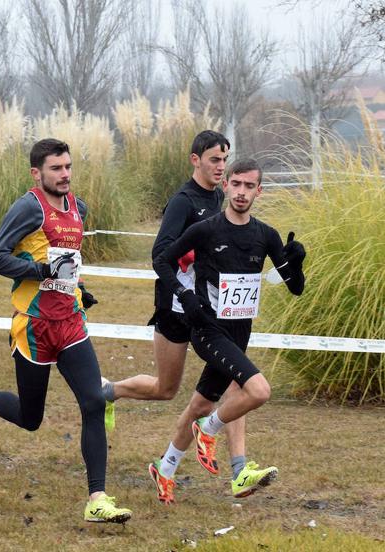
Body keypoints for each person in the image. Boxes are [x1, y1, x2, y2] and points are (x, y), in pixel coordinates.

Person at [0, 138, 133, 523]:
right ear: (37, 172)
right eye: (56, 168)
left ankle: (97, 498)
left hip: (70, 322)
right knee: (31, 418)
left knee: (94, 402)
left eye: (67, 167)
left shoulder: (78, 208)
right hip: (32, 327)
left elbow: (69, 264)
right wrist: (39, 273)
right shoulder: (28, 208)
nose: (64, 174)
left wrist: (78, 288)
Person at [101, 131, 260, 492]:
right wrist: (189, 264)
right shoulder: (182, 202)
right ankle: (110, 392)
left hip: (210, 309)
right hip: (176, 307)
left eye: (224, 160)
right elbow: (161, 255)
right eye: (214, 160)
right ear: (195, 160)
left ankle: (239, 469)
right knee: (165, 388)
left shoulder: (221, 196)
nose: (221, 167)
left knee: (238, 380)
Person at [147, 158, 305, 504]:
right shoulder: (206, 229)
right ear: (226, 186)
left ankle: (166, 467)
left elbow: (294, 287)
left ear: (259, 191)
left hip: (239, 334)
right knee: (258, 391)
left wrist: (296, 262)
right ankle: (212, 434)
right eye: (236, 184)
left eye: (250, 186)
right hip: (208, 329)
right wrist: (185, 296)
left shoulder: (266, 235)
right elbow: (161, 260)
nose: (242, 192)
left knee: (201, 403)